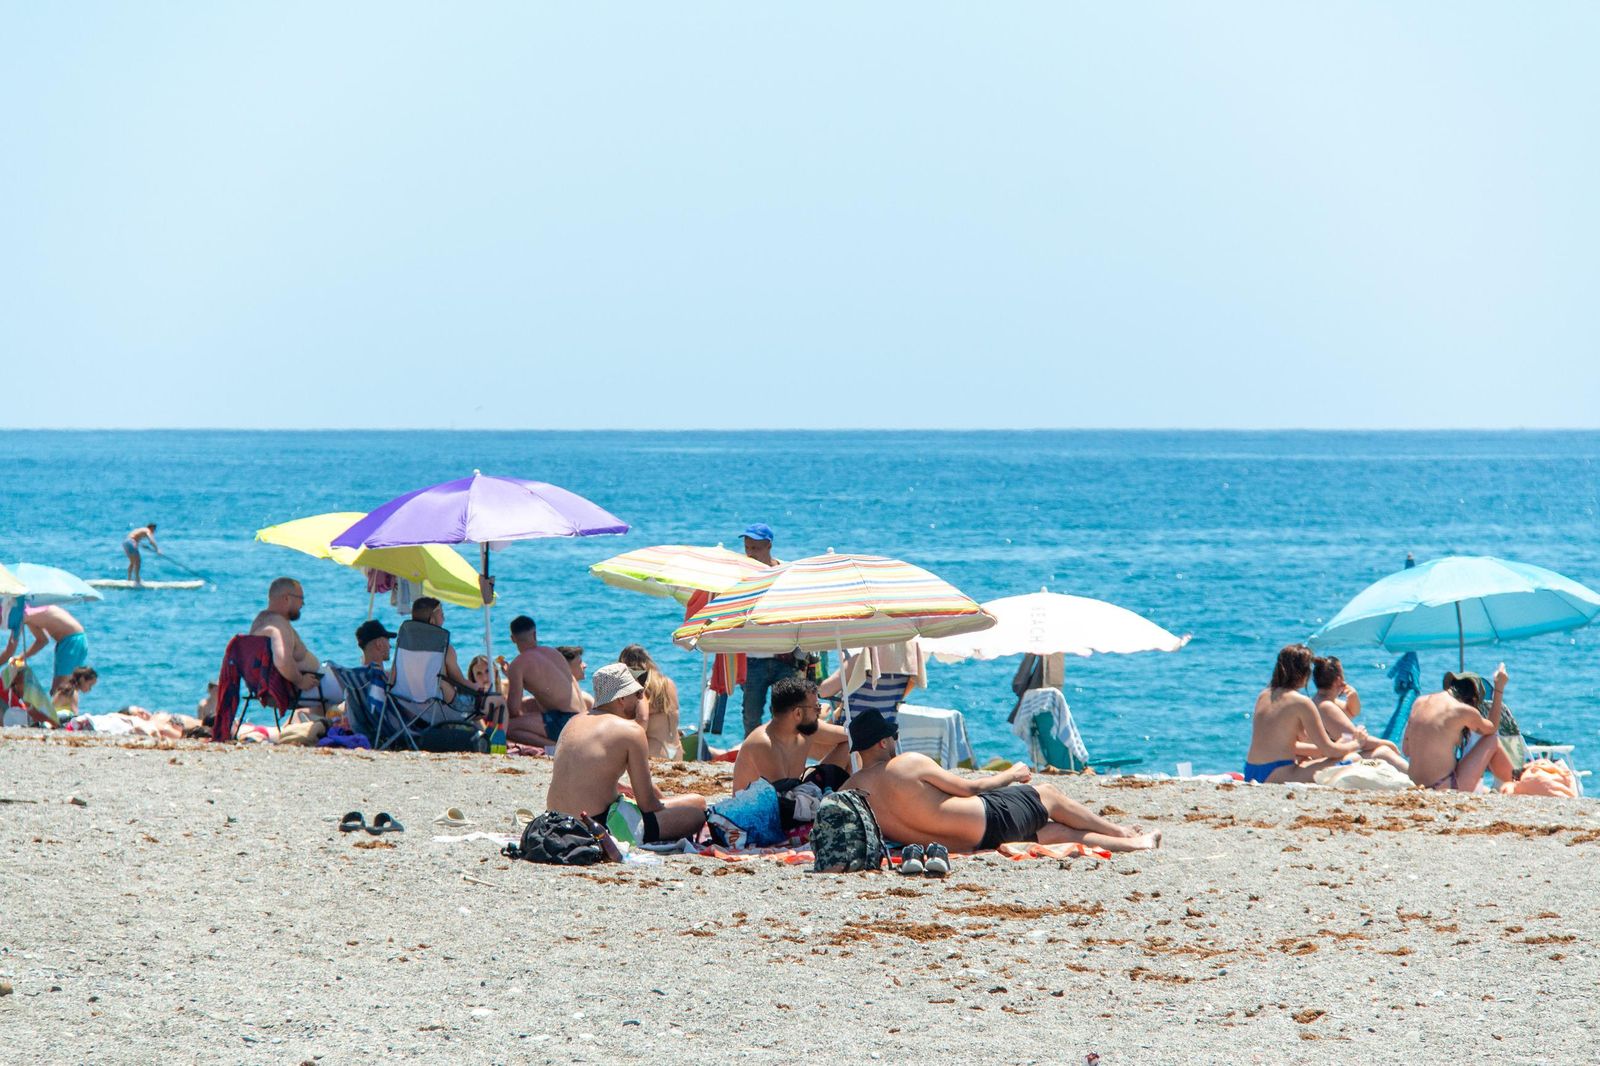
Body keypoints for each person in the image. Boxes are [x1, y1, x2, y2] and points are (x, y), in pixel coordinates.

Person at [843, 708, 1160, 853]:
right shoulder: (905, 764)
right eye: (893, 736)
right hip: (986, 820)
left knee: (1054, 832)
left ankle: (1135, 844)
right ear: (883, 743)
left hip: (967, 845)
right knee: (1046, 793)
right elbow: (970, 788)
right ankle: (1120, 831)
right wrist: (1012, 774)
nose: (896, 741)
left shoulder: (850, 790)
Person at [544, 663, 707, 845]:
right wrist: (678, 804)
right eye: (637, 694)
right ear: (621, 699)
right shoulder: (630, 730)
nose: (640, 699)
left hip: (555, 820)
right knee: (697, 810)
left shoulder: (574, 721)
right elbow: (648, 805)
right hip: (596, 826)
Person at [1243, 644, 1360, 784]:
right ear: (1304, 674)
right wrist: (1356, 743)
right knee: (1353, 759)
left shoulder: (1264, 695)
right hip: (1277, 774)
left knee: (1307, 760)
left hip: (1250, 771)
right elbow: (1329, 751)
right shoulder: (1301, 702)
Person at [1403, 664, 1512, 792]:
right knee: (1492, 740)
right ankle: (1511, 786)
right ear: (1472, 699)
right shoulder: (1461, 710)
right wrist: (1499, 689)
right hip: (1444, 786)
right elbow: (1492, 727)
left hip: (1413, 784)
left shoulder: (1419, 702)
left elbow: (1406, 750)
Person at [731, 675, 849, 792]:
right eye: (816, 708)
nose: (818, 712)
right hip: (764, 807)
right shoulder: (764, 743)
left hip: (794, 795)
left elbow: (850, 734)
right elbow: (783, 795)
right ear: (798, 713)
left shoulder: (805, 728)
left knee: (848, 746)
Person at [737, 522, 799, 735]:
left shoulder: (788, 573)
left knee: (787, 716)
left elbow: (798, 610)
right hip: (752, 658)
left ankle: (782, 756)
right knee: (751, 717)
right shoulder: (741, 576)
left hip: (784, 657)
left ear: (768, 545)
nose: (750, 553)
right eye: (747, 548)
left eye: (755, 548)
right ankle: (753, 760)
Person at [249, 577, 343, 710]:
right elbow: (282, 660)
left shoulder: (260, 622)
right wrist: (300, 681)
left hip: (304, 687)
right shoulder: (278, 625)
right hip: (310, 688)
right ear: (287, 598)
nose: (302, 604)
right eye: (301, 598)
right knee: (366, 685)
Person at [1312, 656, 1407, 773]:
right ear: (1338, 680)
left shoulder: (1319, 701)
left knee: (1381, 752)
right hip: (1326, 764)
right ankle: (1418, 779)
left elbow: (1352, 712)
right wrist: (1388, 743)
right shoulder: (1326, 707)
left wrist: (1353, 696)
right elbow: (1358, 740)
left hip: (1326, 760)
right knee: (1383, 752)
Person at [503, 615, 584, 748]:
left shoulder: (518, 664)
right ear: (534, 634)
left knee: (507, 727)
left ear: (512, 639)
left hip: (564, 722)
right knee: (529, 707)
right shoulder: (552, 652)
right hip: (582, 719)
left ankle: (556, 748)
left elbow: (513, 710)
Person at [3, 601, 91, 688]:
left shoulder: (23, 615)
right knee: (59, 688)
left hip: (72, 641)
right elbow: (42, 640)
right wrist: (21, 657)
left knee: (63, 688)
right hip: (68, 641)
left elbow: (9, 651)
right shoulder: (30, 609)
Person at [619, 644, 682, 760]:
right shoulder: (668, 683)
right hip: (676, 749)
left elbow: (643, 719)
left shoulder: (638, 684)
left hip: (655, 751)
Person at [558, 646, 595, 711]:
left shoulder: (548, 696)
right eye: (580, 662)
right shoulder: (584, 699)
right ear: (566, 667)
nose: (585, 665)